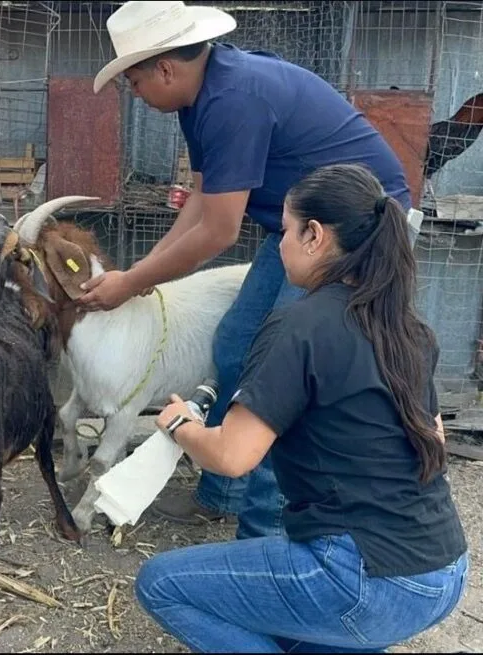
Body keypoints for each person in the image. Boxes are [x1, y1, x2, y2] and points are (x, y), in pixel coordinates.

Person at [84, 0, 416, 539]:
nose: (135, 94)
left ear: (166, 68)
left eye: (135, 81)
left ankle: (263, 528)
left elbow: (217, 232)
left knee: (279, 366)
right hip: (298, 227)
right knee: (238, 341)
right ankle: (224, 493)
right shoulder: (201, 96)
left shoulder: (232, 99)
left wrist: (131, 284)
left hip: (357, 233)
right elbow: (201, 202)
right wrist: (140, 273)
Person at [135, 163, 469, 653]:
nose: (280, 244)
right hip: (442, 573)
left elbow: (232, 457)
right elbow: (433, 440)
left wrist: (182, 425)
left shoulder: (298, 326)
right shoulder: (408, 327)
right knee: (294, 633)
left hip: (363, 578)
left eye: (285, 231)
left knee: (160, 583)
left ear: (314, 235)